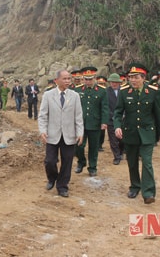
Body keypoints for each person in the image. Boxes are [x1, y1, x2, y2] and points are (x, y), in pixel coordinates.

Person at [113, 63, 160, 204]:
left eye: (136, 77)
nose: (133, 80)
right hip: (130, 133)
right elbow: (118, 112)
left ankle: (148, 193)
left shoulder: (153, 91)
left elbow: (158, 114)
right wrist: (117, 126)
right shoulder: (124, 92)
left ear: (143, 78)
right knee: (132, 162)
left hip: (147, 133)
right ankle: (135, 186)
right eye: (131, 77)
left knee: (147, 163)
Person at [39, 69, 84, 197]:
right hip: (52, 135)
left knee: (67, 161)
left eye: (69, 79)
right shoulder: (48, 95)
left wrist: (80, 132)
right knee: (50, 161)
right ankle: (52, 178)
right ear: (56, 80)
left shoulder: (75, 96)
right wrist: (42, 131)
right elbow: (43, 115)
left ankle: (62, 186)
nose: (67, 81)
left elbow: (78, 117)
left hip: (69, 135)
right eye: (64, 79)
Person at [74, 67, 109, 177]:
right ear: (83, 79)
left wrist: (104, 122)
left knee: (93, 147)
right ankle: (81, 162)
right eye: (86, 79)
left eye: (90, 79)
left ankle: (92, 167)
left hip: (95, 123)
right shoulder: (78, 90)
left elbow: (105, 107)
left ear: (95, 78)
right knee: (78, 145)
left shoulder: (102, 91)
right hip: (81, 124)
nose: (88, 81)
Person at [106, 73, 124, 165]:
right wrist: (111, 115)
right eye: (112, 82)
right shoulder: (106, 92)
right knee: (113, 139)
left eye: (115, 82)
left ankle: (121, 152)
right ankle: (116, 157)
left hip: (123, 119)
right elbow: (105, 106)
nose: (113, 84)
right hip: (111, 119)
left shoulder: (124, 91)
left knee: (122, 138)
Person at [96, 75, 108, 152]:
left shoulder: (105, 91)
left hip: (102, 114)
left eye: (102, 83)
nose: (101, 85)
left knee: (102, 132)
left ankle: (100, 144)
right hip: (95, 115)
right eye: (99, 83)